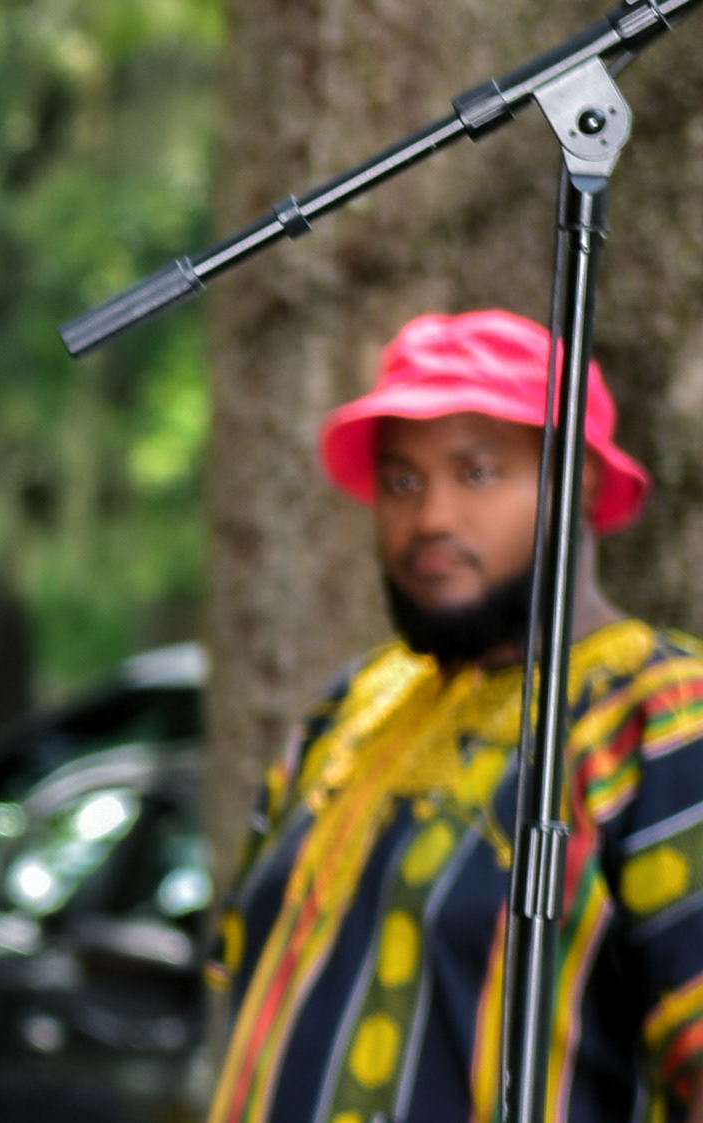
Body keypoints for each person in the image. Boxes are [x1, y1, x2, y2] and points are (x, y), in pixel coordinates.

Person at [206, 310, 703, 1123]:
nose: (431, 517)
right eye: (403, 480)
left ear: (577, 478)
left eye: (476, 473)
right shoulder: (352, 706)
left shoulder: (661, 716)